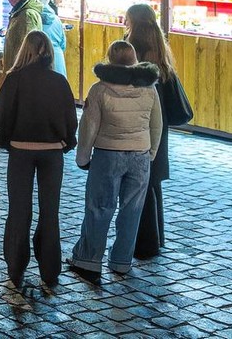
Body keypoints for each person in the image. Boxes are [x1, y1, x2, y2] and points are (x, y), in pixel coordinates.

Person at [68, 40, 162, 283]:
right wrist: (150, 153)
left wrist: (83, 158)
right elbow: (156, 124)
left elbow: (88, 126)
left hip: (108, 153)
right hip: (140, 153)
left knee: (99, 206)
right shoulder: (149, 89)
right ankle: (122, 260)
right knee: (132, 210)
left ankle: (88, 259)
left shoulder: (99, 89)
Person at [0, 31, 78, 291]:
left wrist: (6, 141)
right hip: (52, 152)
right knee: (50, 211)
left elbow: (2, 117)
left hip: (20, 150)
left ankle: (16, 266)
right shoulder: (58, 81)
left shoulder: (13, 80)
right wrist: (65, 142)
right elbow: (70, 119)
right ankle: (50, 268)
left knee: (19, 210)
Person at [125, 3, 188, 260]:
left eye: (127, 20)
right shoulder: (160, 50)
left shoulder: (133, 50)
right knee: (153, 182)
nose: (124, 24)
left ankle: (145, 243)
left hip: (141, 121)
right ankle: (157, 237)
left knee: (140, 183)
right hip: (158, 125)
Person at [0, 0, 44, 78]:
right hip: (15, 68)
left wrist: (20, 69)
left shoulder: (27, 15)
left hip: (21, 71)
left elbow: (29, 47)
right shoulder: (19, 12)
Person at [34, 0, 70, 77]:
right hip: (58, 58)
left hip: (41, 60)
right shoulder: (57, 19)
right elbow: (63, 44)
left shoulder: (34, 19)